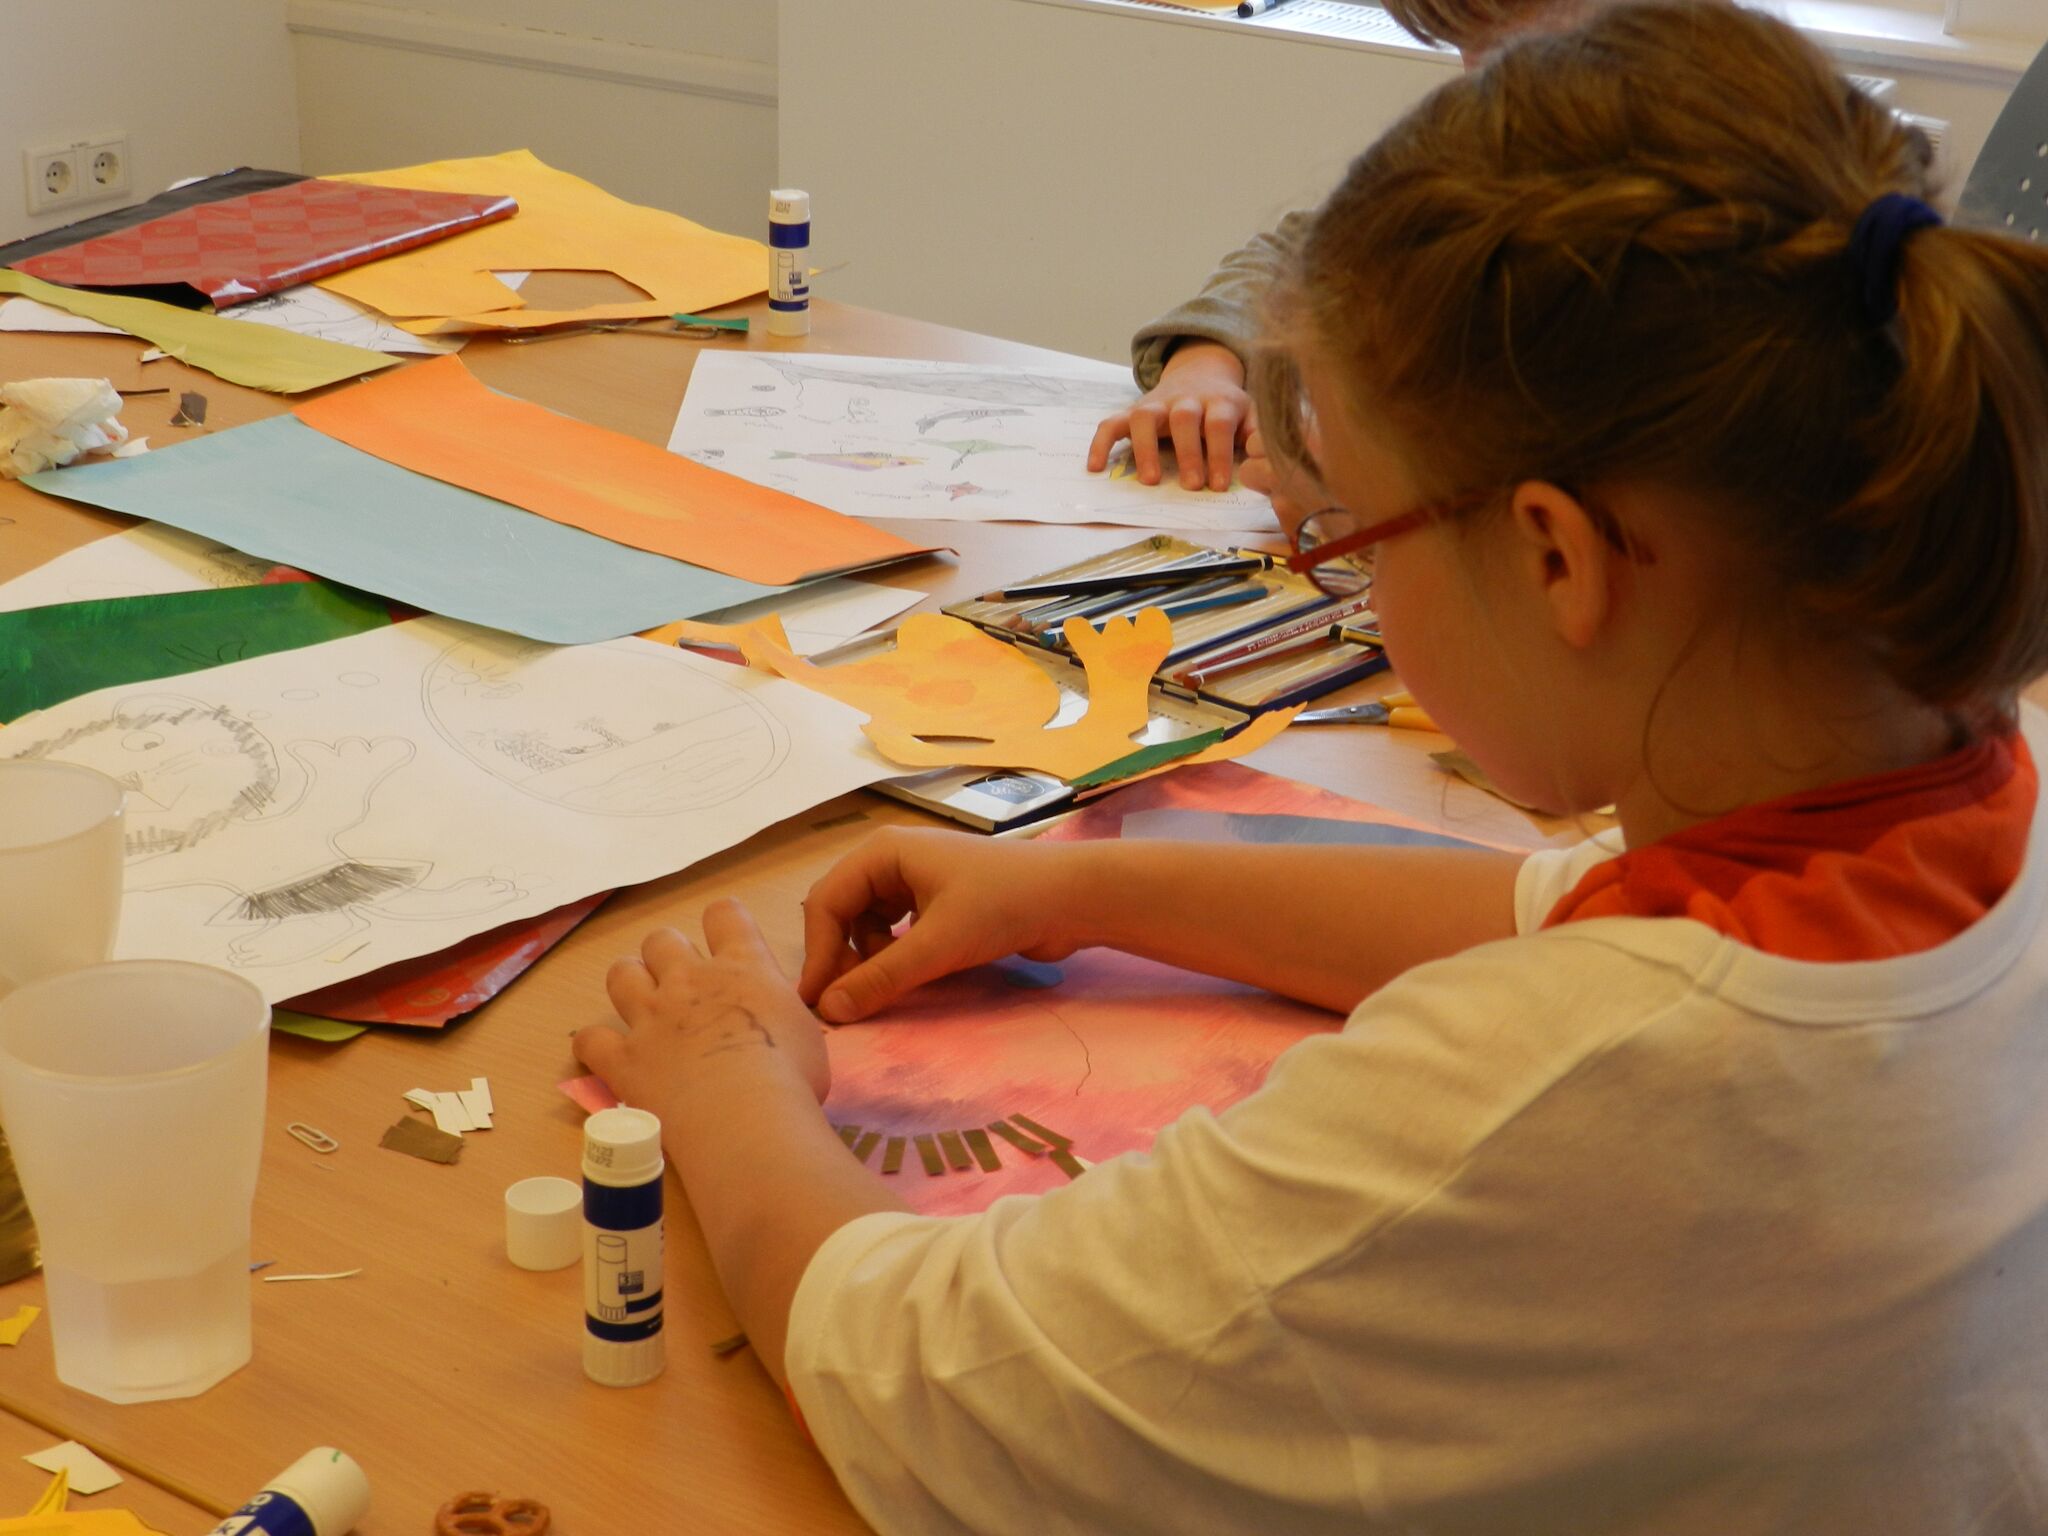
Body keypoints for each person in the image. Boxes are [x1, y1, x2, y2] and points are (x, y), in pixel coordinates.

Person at [573, 4, 2048, 1530]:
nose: (1345, 579)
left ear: (1555, 555)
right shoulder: (1947, 802)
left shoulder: (1567, 1091)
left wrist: (727, 1087)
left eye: (1348, 533)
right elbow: (1550, 914)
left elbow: (927, 1374)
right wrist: (1075, 894)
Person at [1085, 0, 1683, 528]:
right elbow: (1303, 251)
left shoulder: (1692, 222)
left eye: (1514, 42)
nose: (1483, 80)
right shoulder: (1488, 149)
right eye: (1464, 44)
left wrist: (1388, 518)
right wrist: (1204, 364)